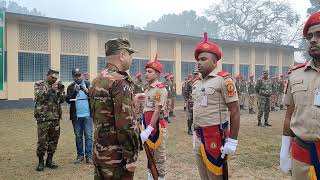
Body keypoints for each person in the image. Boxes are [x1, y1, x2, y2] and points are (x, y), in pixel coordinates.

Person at [89, 38, 143, 179]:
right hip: (117, 158)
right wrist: (131, 156)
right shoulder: (120, 81)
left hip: (101, 152)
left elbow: (102, 113)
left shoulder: (97, 79)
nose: (131, 59)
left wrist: (131, 101)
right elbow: (125, 124)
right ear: (122, 55)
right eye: (130, 55)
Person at [193, 32, 240, 179]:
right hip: (198, 134)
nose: (199, 62)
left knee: (216, 175)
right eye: (198, 59)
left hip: (215, 135)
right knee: (203, 174)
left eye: (203, 59)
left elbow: (235, 111)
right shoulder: (196, 82)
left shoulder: (223, 80)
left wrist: (232, 141)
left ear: (214, 62)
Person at [280, 12, 320, 179]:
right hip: (301, 154)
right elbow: (290, 115)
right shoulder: (296, 74)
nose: (312, 40)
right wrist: (284, 149)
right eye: (309, 36)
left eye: (319, 34)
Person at [139, 54, 168, 180]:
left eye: (149, 72)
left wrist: (149, 129)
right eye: (146, 71)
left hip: (156, 127)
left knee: (159, 157)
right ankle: (151, 176)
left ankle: (160, 177)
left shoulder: (160, 89)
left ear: (157, 73)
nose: (146, 74)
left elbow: (157, 111)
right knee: (150, 155)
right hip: (147, 124)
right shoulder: (148, 89)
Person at [34, 68, 65, 171]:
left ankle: (49, 160)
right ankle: (40, 162)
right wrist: (51, 90)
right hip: (43, 118)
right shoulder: (40, 84)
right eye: (52, 77)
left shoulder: (57, 86)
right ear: (47, 75)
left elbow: (62, 100)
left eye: (55, 78)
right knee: (42, 141)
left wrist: (60, 90)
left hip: (55, 118)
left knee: (54, 141)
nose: (54, 79)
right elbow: (39, 97)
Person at [66, 68, 92, 164]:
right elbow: (68, 100)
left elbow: (94, 96)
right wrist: (75, 92)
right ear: (73, 77)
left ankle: (89, 156)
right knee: (78, 136)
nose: (78, 77)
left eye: (79, 75)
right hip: (76, 116)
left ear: (82, 75)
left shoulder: (88, 84)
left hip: (88, 115)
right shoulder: (70, 87)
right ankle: (80, 155)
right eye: (75, 76)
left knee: (89, 136)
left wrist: (87, 92)